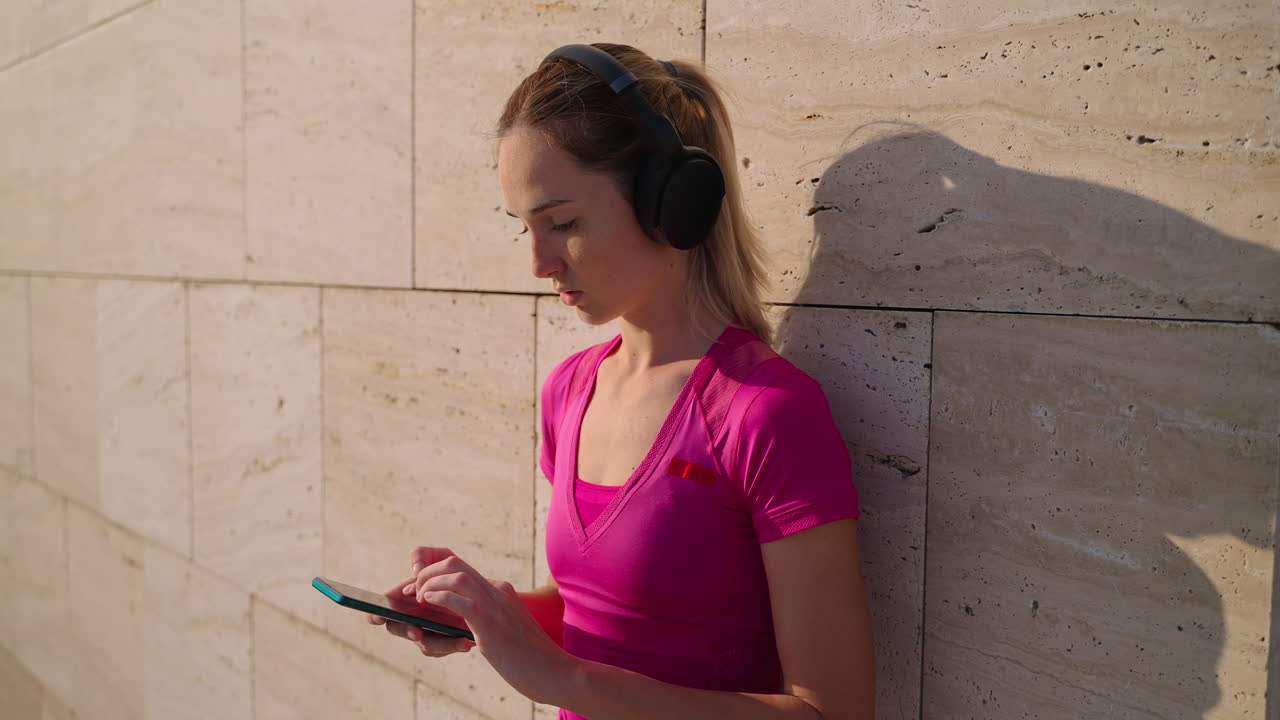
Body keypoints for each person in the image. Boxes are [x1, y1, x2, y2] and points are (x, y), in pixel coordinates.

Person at [368, 42, 876, 719]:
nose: (539, 264)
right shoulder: (571, 391)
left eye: (564, 223)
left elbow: (833, 713)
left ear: (672, 202)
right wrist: (483, 617)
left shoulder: (767, 413)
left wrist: (567, 684)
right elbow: (592, 619)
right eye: (525, 227)